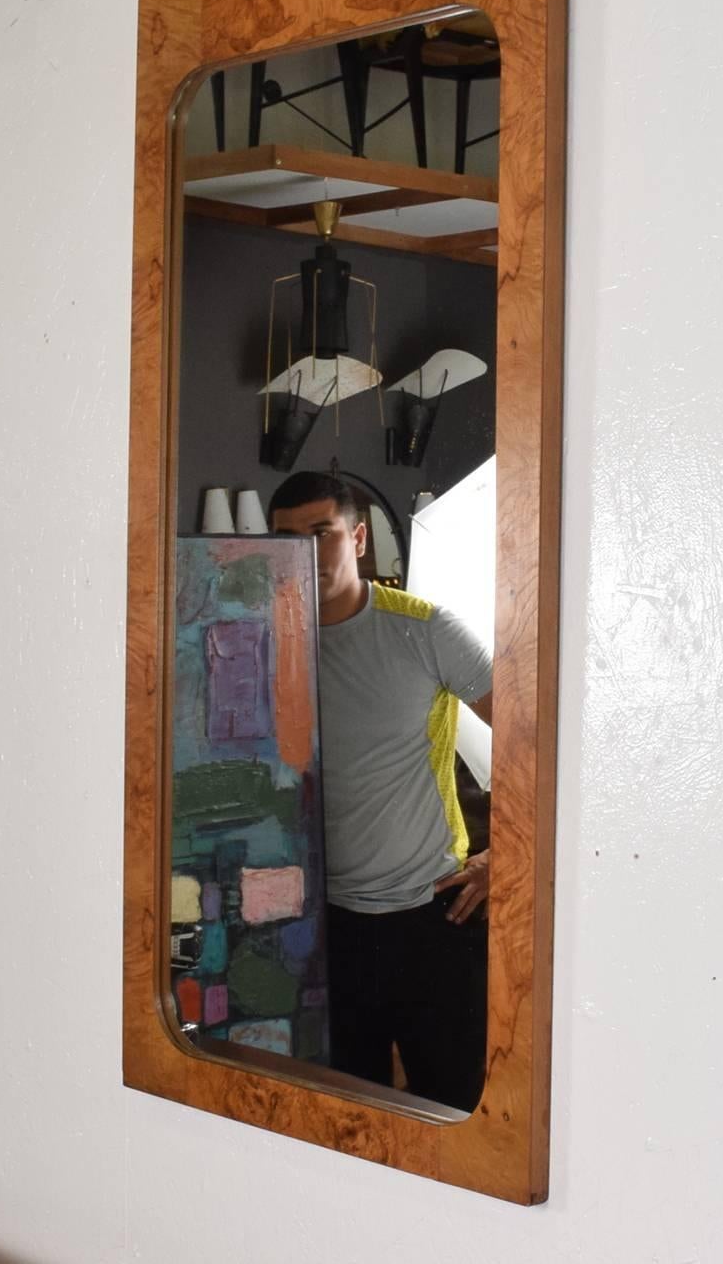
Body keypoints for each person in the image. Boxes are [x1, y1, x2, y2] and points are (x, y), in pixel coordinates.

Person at [268, 470, 492, 1111]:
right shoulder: (257, 637)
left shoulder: (424, 629)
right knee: (345, 1112)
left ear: (358, 538)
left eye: (322, 534)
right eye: (288, 539)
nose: (305, 555)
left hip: (432, 913)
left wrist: (505, 854)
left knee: (452, 1106)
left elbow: (541, 743)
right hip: (319, 926)